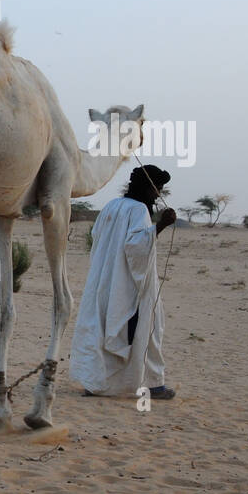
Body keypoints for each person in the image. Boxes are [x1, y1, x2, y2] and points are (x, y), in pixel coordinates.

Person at [71, 164, 178, 399]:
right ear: (147, 187)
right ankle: (154, 385)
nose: (158, 193)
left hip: (103, 279)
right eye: (157, 188)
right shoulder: (139, 210)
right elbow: (136, 247)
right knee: (149, 327)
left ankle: (96, 383)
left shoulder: (111, 206)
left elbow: (97, 237)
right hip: (129, 282)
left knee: (100, 328)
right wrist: (160, 225)